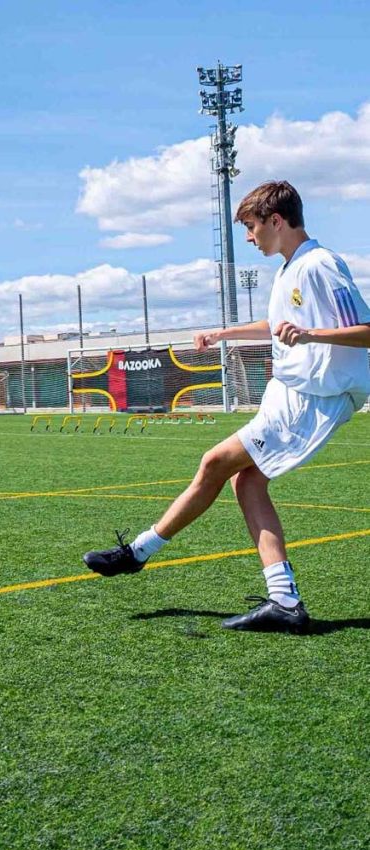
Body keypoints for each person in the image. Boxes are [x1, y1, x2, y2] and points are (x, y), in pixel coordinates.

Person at [83, 180, 370, 633]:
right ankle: (284, 601)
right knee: (247, 485)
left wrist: (312, 336)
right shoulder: (291, 267)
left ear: (277, 220)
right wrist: (224, 333)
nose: (251, 237)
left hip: (311, 397)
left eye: (253, 227)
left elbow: (366, 329)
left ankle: (137, 553)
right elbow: (278, 326)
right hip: (293, 392)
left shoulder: (319, 264)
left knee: (214, 461)